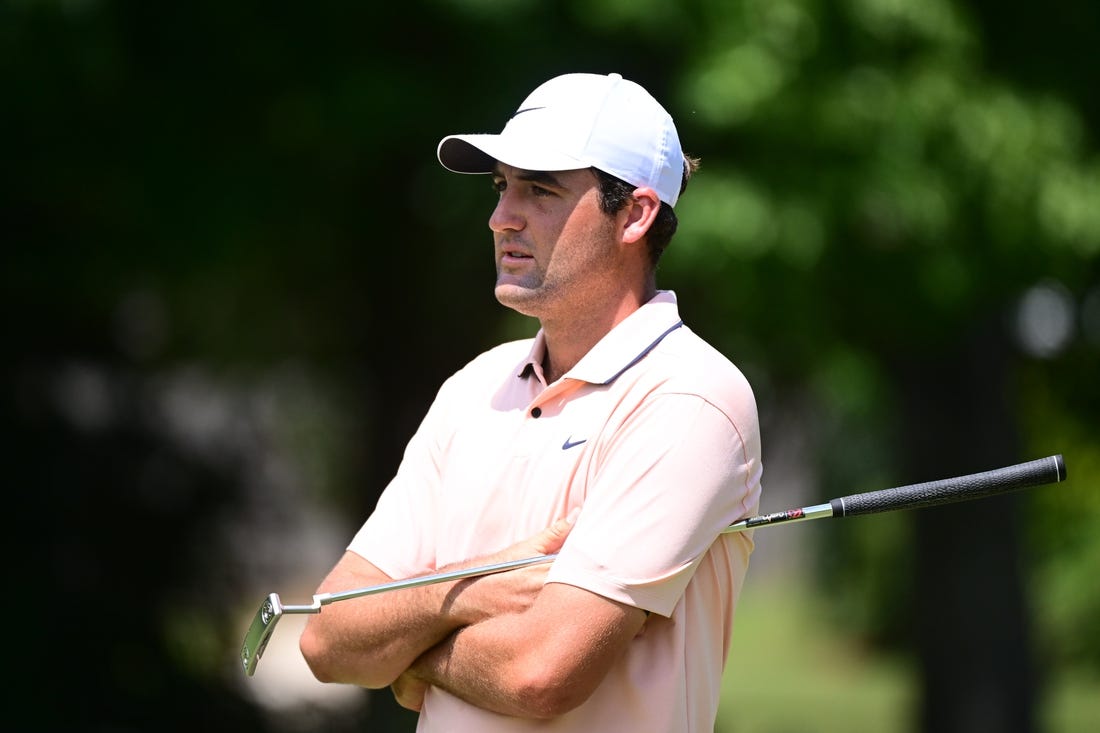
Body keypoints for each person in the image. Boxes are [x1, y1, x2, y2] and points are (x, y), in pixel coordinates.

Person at [299, 71, 763, 732]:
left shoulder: (691, 397)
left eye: (540, 189)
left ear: (635, 214)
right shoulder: (474, 388)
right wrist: (482, 582)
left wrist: (409, 651)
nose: (500, 217)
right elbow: (328, 636)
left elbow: (539, 672)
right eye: (501, 186)